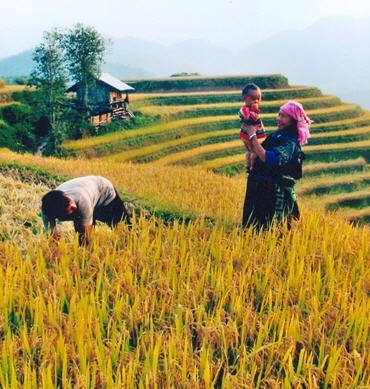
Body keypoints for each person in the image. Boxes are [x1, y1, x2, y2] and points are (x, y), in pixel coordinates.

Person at [242, 100, 313, 229]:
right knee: (250, 228)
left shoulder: (290, 143)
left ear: (293, 120)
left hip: (271, 194)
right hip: (259, 189)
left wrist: (252, 135)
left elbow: (268, 159)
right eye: (279, 115)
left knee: (266, 231)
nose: (279, 119)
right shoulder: (277, 135)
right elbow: (257, 152)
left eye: (283, 116)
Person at [41, 176, 131, 245]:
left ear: (66, 195)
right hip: (88, 192)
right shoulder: (47, 211)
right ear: (60, 216)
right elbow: (51, 239)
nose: (74, 206)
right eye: (70, 209)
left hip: (104, 192)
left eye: (71, 202)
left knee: (123, 230)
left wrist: (86, 252)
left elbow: (86, 236)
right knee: (80, 235)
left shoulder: (81, 200)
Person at [238, 83, 266, 172]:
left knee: (250, 151)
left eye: (258, 99)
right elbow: (251, 119)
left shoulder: (247, 109)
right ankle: (252, 168)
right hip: (248, 134)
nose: (256, 101)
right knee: (254, 151)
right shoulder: (245, 110)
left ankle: (248, 165)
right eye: (253, 99)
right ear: (244, 98)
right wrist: (254, 110)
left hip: (247, 133)